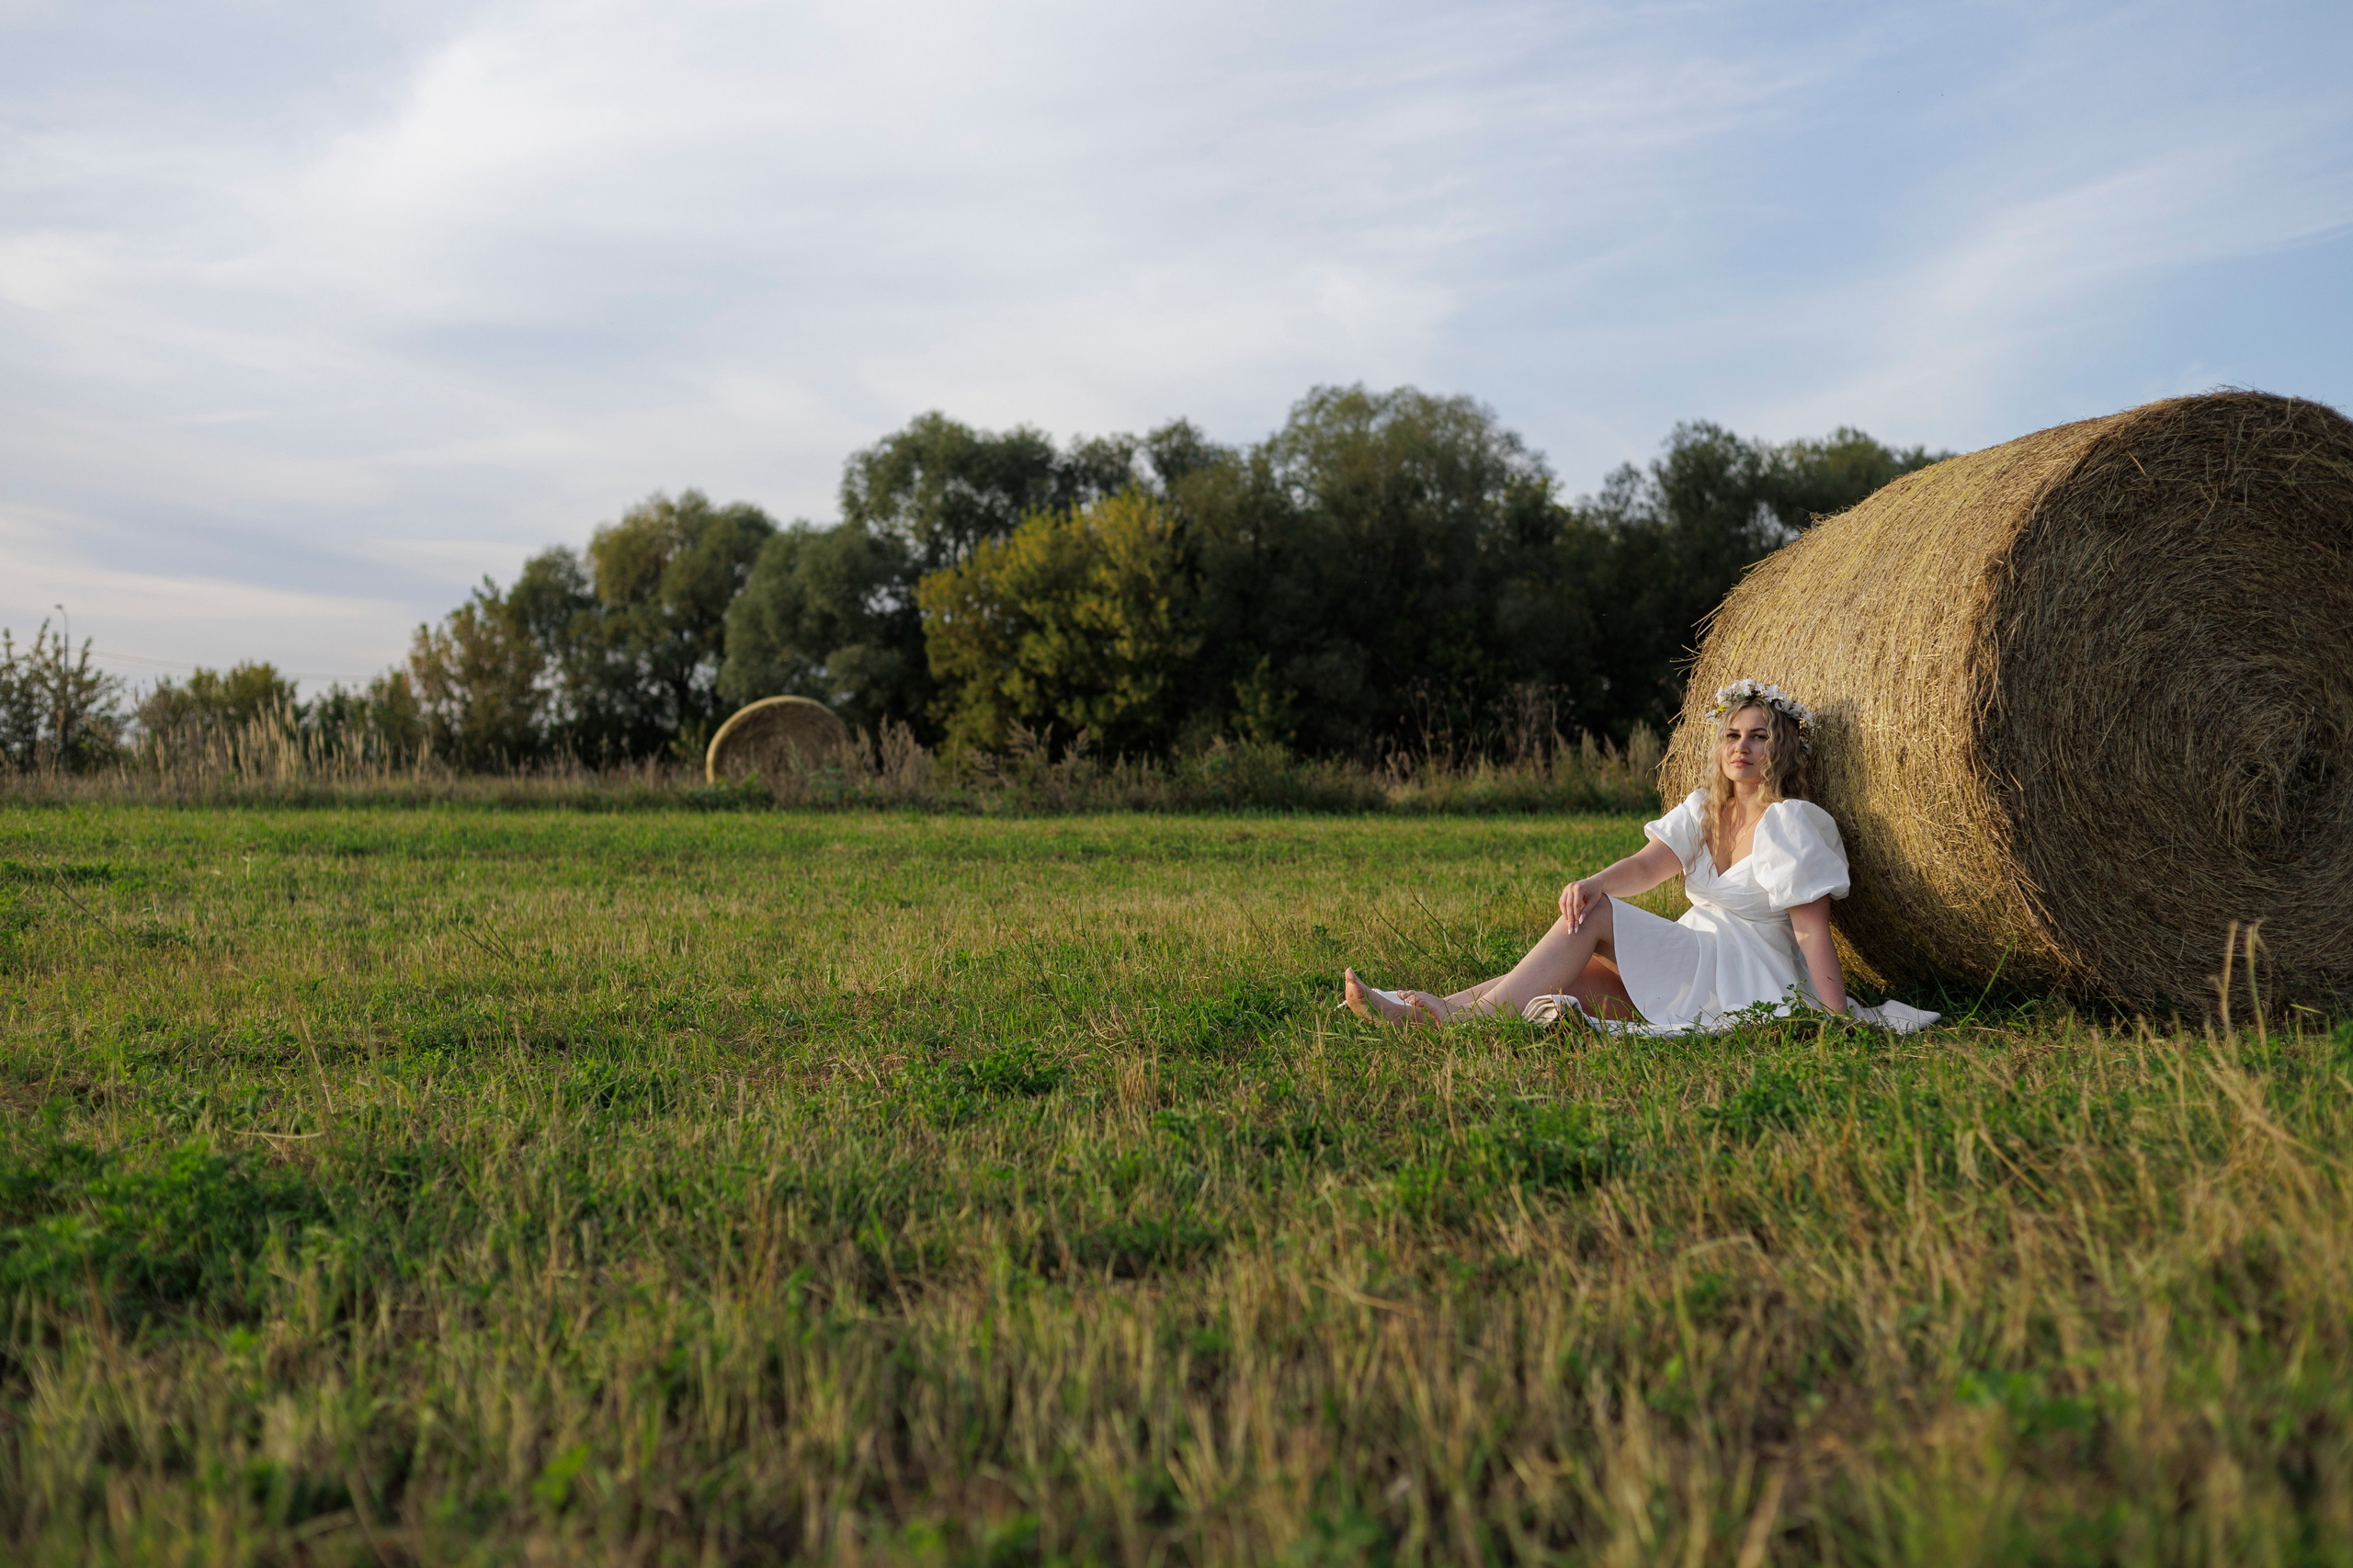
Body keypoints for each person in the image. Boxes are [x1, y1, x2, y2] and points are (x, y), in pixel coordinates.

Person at [1343, 680, 1936, 1033]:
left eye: (1758, 736)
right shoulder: (1705, 807)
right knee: (1568, 973)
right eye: (1732, 735)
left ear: (1781, 747)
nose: (1743, 747)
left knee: (1594, 918)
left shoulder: (1792, 822)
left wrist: (1836, 1019)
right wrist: (1594, 879)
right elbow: (1650, 865)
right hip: (1693, 955)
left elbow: (1811, 934)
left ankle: (1448, 1021)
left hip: (1743, 972)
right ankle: (1433, 1009)